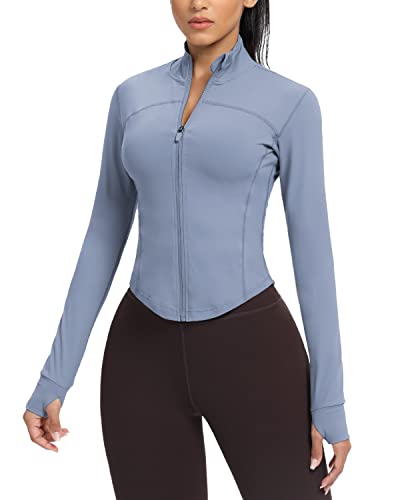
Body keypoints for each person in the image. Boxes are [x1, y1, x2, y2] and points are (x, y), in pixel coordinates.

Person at [23, 0, 352, 498]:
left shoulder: (290, 104)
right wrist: (55, 377)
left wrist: (328, 400)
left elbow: (313, 255)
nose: (198, 2)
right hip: (141, 353)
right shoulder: (133, 97)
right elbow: (103, 234)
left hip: (253, 349)